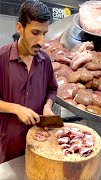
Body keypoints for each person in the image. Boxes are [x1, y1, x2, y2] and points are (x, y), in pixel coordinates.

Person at [0, 0, 58, 163]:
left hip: (41, 142)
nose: (41, 41)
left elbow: (52, 90)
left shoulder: (45, 60)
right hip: (9, 145)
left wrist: (47, 107)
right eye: (35, 33)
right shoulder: (2, 59)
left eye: (44, 34)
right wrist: (16, 108)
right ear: (20, 28)